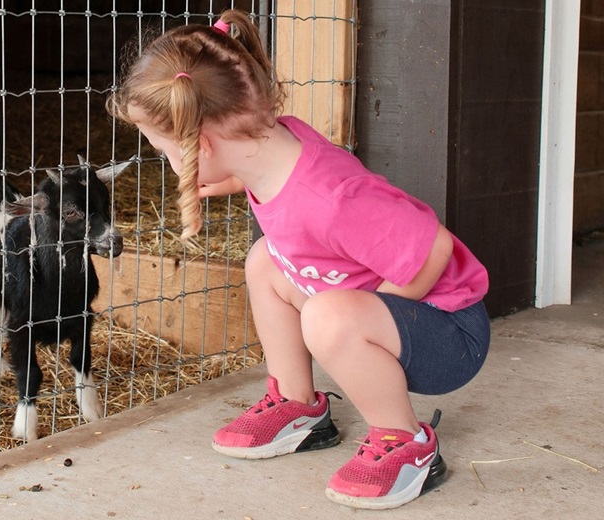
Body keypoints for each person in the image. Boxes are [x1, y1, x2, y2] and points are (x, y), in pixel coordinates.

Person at [107, 8, 491, 510]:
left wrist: (365, 318)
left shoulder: (333, 199)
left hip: (449, 333)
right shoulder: (271, 147)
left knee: (327, 317)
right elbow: (266, 181)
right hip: (383, 311)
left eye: (165, 152)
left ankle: (405, 441)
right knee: (265, 260)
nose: (169, 163)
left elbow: (436, 249)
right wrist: (226, 181)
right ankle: (298, 405)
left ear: (200, 143)